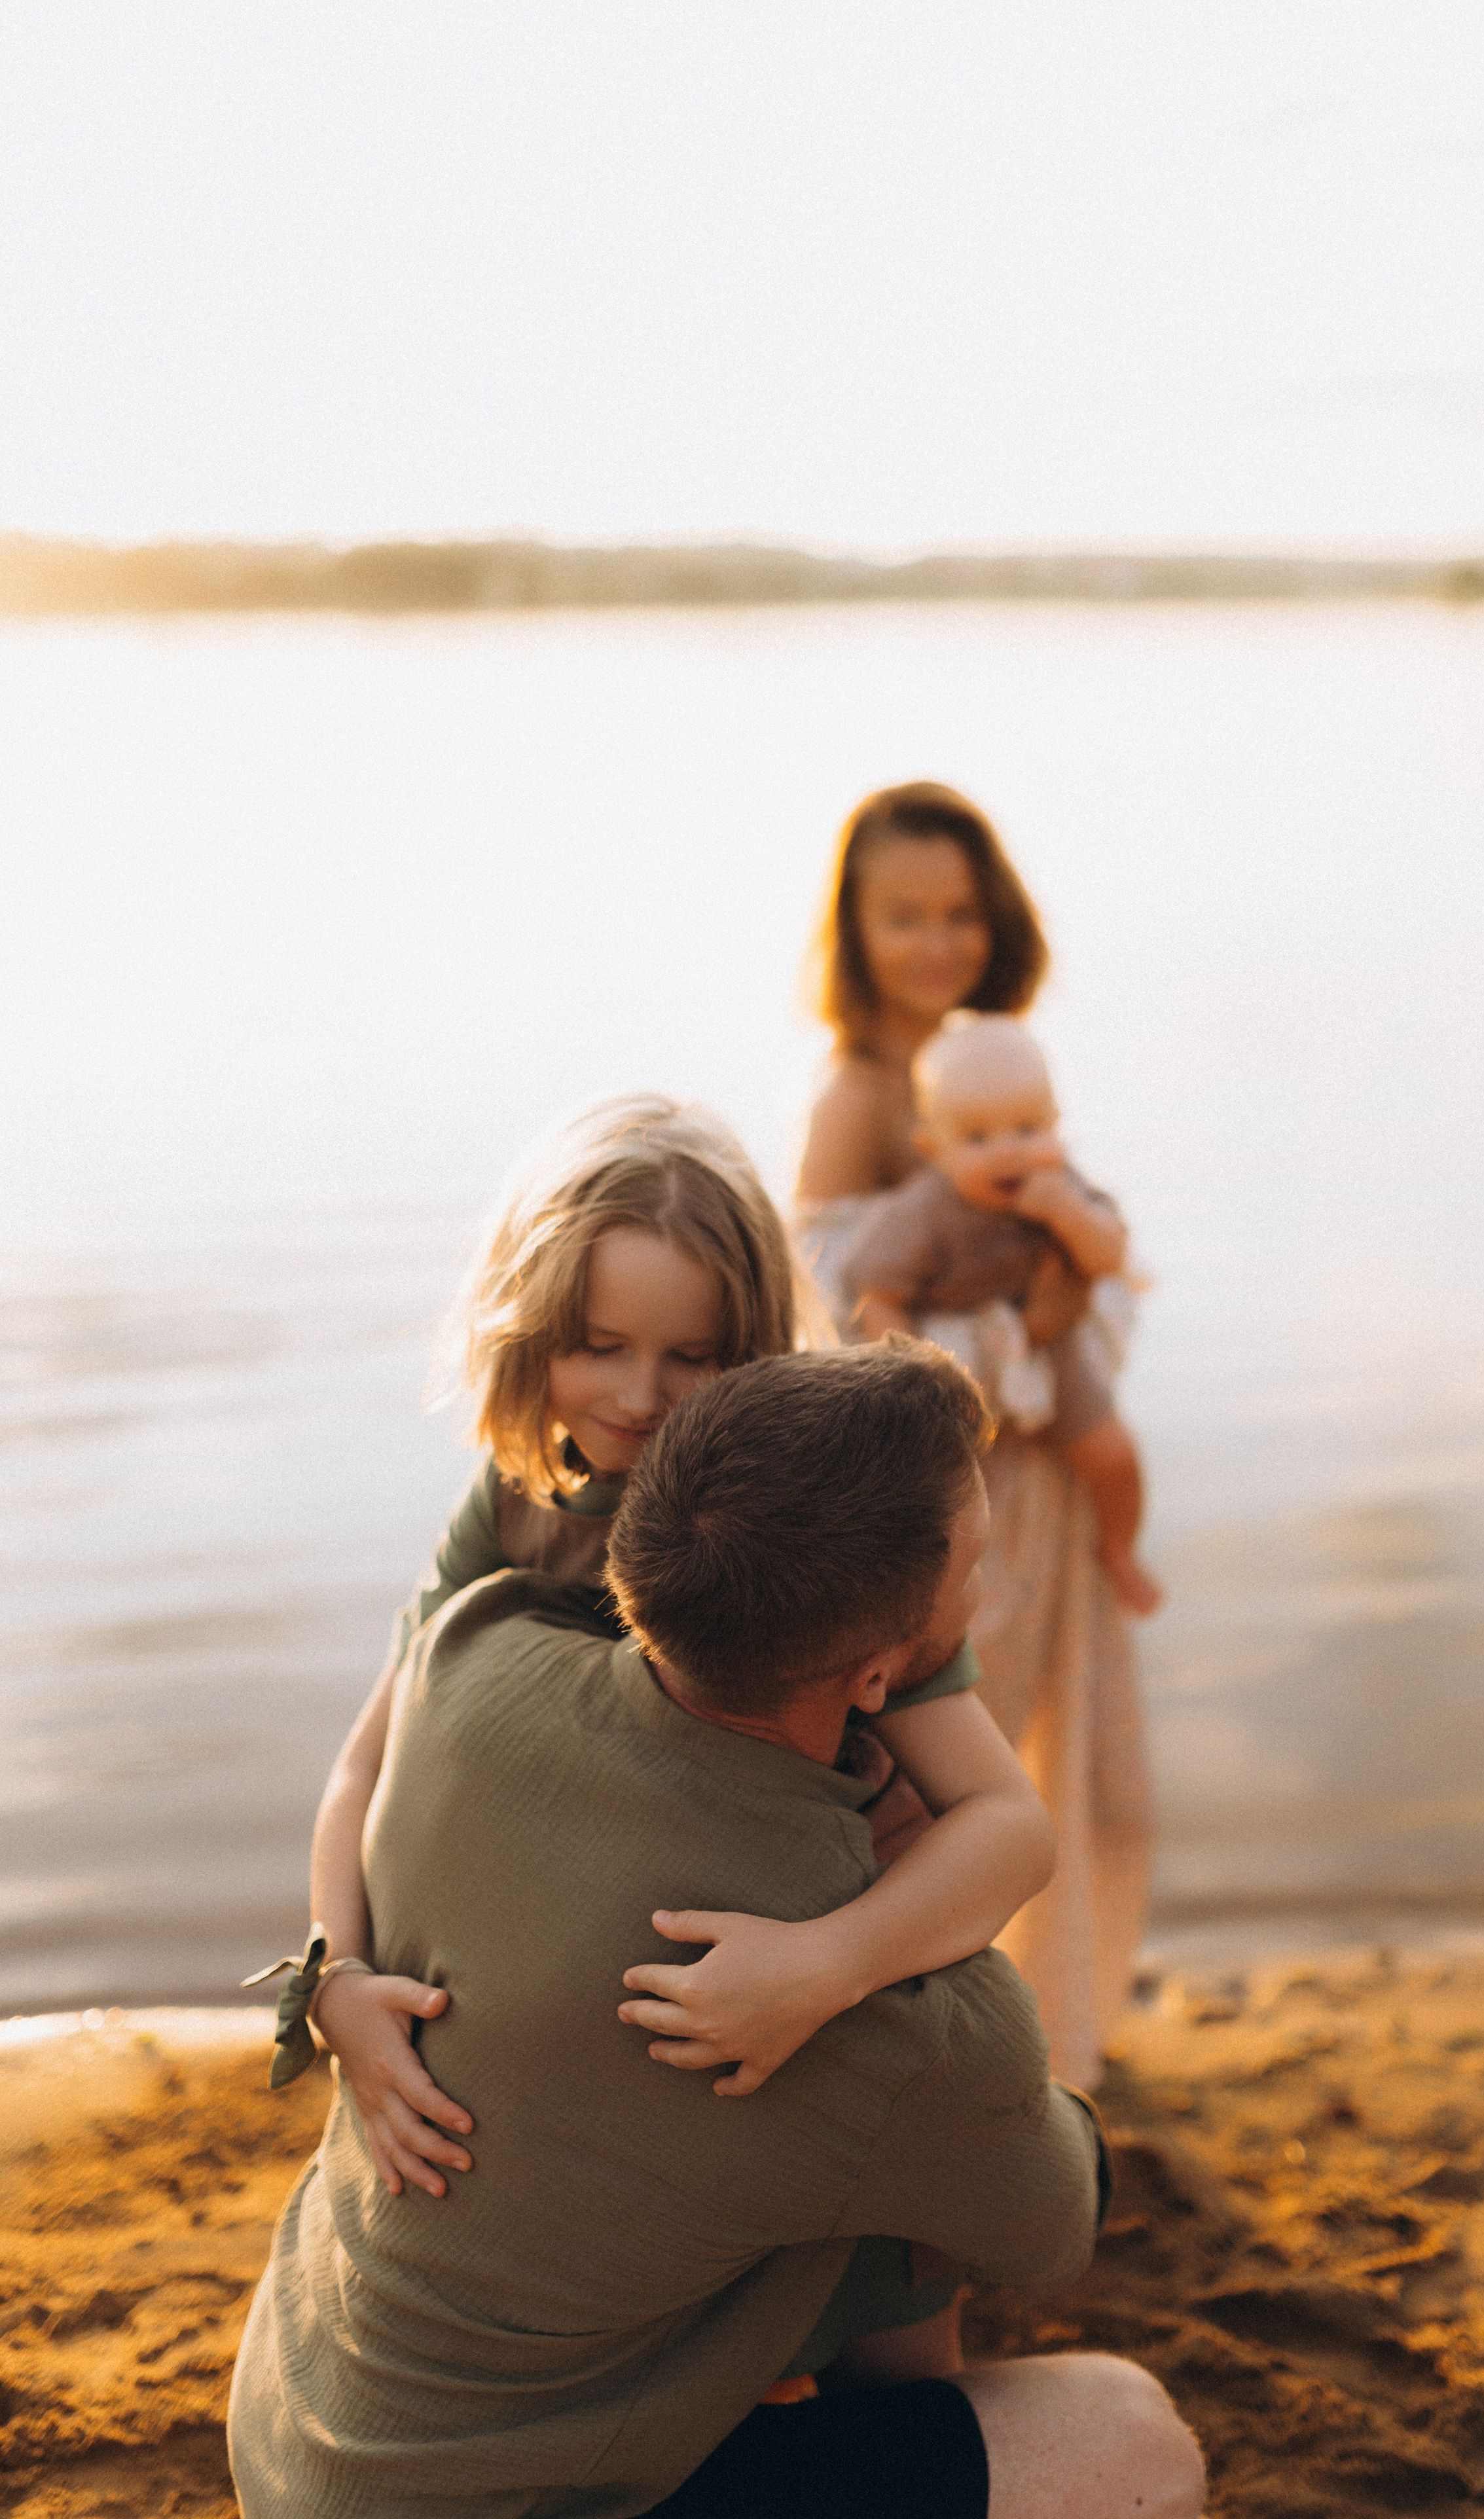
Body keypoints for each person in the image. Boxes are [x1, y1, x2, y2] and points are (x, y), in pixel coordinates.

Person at [228, 1344, 1205, 2519]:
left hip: (297, 2434)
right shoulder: (898, 2013)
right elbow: (1057, 2225)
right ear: (881, 1671)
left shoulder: (471, 1665)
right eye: (979, 1568)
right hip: (500, 2500)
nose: (989, 1600)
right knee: (1130, 2435)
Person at [300, 1096, 1054, 2219]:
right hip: (595, 2005)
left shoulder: (818, 1532)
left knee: (882, 2303)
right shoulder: (522, 1503)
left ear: (753, 1349)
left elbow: (1007, 1821)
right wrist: (337, 1977)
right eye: (597, 1346)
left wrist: (833, 1961)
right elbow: (369, 1763)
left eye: (691, 1357)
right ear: (529, 1326)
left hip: (802, 1968)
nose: (639, 1395)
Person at [799, 781, 1155, 2088]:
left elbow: (1089, 1260)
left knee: (1072, 1759)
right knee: (954, 1776)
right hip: (948, 1493)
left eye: (957, 913)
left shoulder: (994, 1059)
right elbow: (835, 1325)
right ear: (855, 926)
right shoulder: (856, 1093)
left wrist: (1067, 1287)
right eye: (904, 917)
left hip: (1047, 1472)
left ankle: (1051, 2027)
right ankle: (938, 2039)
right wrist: (1014, 1343)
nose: (935, 943)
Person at [842, 1014, 1161, 1617]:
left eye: (1027, 1127)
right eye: (979, 1138)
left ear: (1057, 1125)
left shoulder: (1060, 1183)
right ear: (933, 1148)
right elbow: (874, 1288)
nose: (1008, 1152)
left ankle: (1119, 1549)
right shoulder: (924, 1213)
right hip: (969, 1370)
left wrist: (1066, 1211)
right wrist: (914, 1366)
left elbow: (1112, 1256)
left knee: (1115, 1457)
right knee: (949, 1494)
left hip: (1054, 1356)